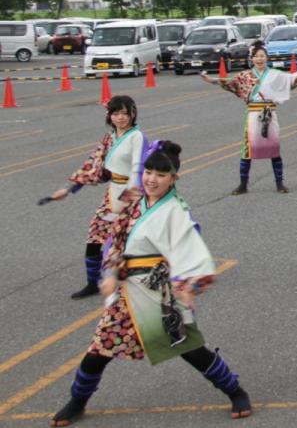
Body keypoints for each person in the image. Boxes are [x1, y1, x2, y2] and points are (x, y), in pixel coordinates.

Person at [48, 141, 252, 426]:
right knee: (98, 352)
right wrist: (110, 273)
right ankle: (77, 401)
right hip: (127, 293)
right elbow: (115, 238)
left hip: (161, 291)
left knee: (190, 349)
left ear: (173, 178)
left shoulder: (177, 212)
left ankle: (235, 391)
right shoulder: (135, 198)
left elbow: (193, 256)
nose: (152, 179)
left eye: (161, 174)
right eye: (148, 172)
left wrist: (189, 288)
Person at [43, 95, 145, 299]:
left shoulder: (137, 136)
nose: (120, 118)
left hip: (131, 196)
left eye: (125, 113)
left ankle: (147, 282)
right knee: (95, 238)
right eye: (115, 114)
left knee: (132, 241)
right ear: (109, 116)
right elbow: (93, 165)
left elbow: (137, 168)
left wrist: (129, 196)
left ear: (133, 114)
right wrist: (68, 189)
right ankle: (93, 283)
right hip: (112, 193)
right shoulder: (109, 138)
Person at [201, 40, 297, 195]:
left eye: (262, 56)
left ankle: (280, 183)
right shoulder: (244, 76)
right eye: (256, 56)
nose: (260, 59)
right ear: (251, 59)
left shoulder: (275, 74)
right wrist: (212, 80)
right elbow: (230, 82)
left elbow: (290, 80)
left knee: (274, 148)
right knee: (247, 151)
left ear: (267, 58)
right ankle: (243, 184)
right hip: (254, 114)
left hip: (269, 113)